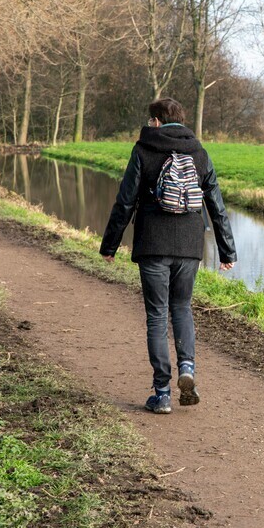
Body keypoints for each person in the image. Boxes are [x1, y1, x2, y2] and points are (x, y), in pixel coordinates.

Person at [100, 98, 236, 414]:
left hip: (152, 244)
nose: (148, 125)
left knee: (158, 316)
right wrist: (227, 251)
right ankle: (187, 367)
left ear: (158, 121)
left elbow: (125, 202)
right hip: (189, 245)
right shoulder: (199, 153)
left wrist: (110, 246)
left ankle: (162, 393)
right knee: (182, 308)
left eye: (150, 120)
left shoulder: (143, 150)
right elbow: (216, 204)